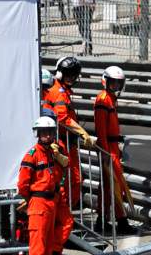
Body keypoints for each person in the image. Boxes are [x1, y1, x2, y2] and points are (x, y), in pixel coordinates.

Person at [46, 56, 95, 234]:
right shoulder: (59, 92)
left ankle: (65, 219)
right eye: (68, 74)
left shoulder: (64, 91)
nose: (71, 78)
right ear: (60, 73)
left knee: (75, 182)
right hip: (62, 144)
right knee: (68, 183)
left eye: (74, 75)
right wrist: (82, 131)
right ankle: (63, 220)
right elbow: (62, 117)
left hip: (68, 143)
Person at [17, 117, 71, 255]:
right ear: (38, 134)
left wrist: (58, 155)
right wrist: (32, 200)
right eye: (44, 132)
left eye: (50, 132)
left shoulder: (52, 154)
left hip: (51, 202)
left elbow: (66, 165)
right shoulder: (32, 155)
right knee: (38, 248)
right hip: (39, 203)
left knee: (47, 247)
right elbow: (22, 185)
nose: (47, 136)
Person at [93, 66, 132, 233]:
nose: (116, 86)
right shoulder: (103, 100)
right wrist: (105, 152)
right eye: (113, 83)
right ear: (105, 81)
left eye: (118, 83)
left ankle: (102, 220)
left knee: (109, 187)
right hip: (109, 150)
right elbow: (101, 130)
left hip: (113, 148)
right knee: (115, 186)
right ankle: (121, 222)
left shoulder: (110, 99)